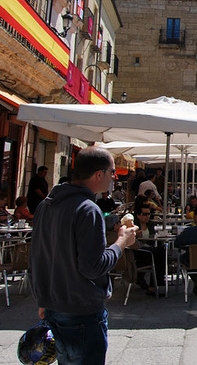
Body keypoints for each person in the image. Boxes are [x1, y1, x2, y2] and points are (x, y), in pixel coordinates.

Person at [30, 146, 137, 364]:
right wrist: (121, 242)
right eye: (112, 172)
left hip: (54, 308)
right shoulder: (88, 209)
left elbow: (38, 256)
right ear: (99, 174)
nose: (114, 177)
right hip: (82, 313)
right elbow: (93, 266)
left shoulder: (45, 205)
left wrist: (43, 298)